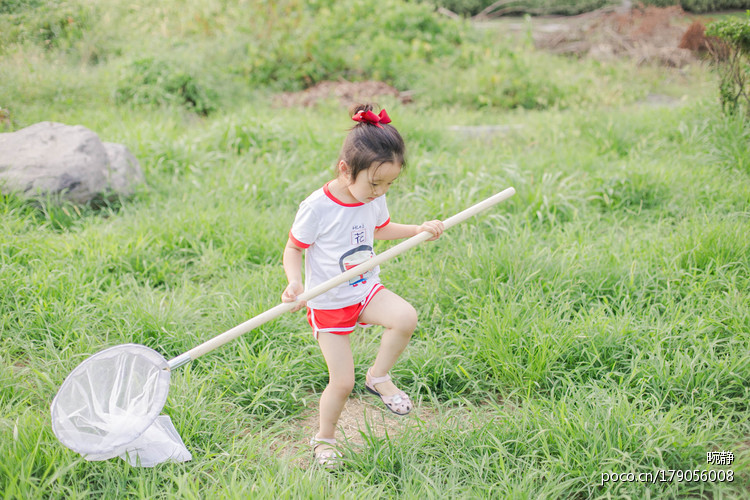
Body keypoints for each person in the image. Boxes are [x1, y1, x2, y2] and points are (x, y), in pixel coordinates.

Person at [281, 104, 444, 467]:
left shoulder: (373, 195)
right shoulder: (317, 207)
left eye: (389, 184)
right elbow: (293, 249)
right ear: (345, 169)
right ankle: (324, 439)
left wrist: (418, 229)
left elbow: (379, 229)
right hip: (328, 302)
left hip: (364, 288)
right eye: (375, 183)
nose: (381, 191)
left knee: (405, 318)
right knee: (341, 383)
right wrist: (295, 283)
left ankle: (379, 377)